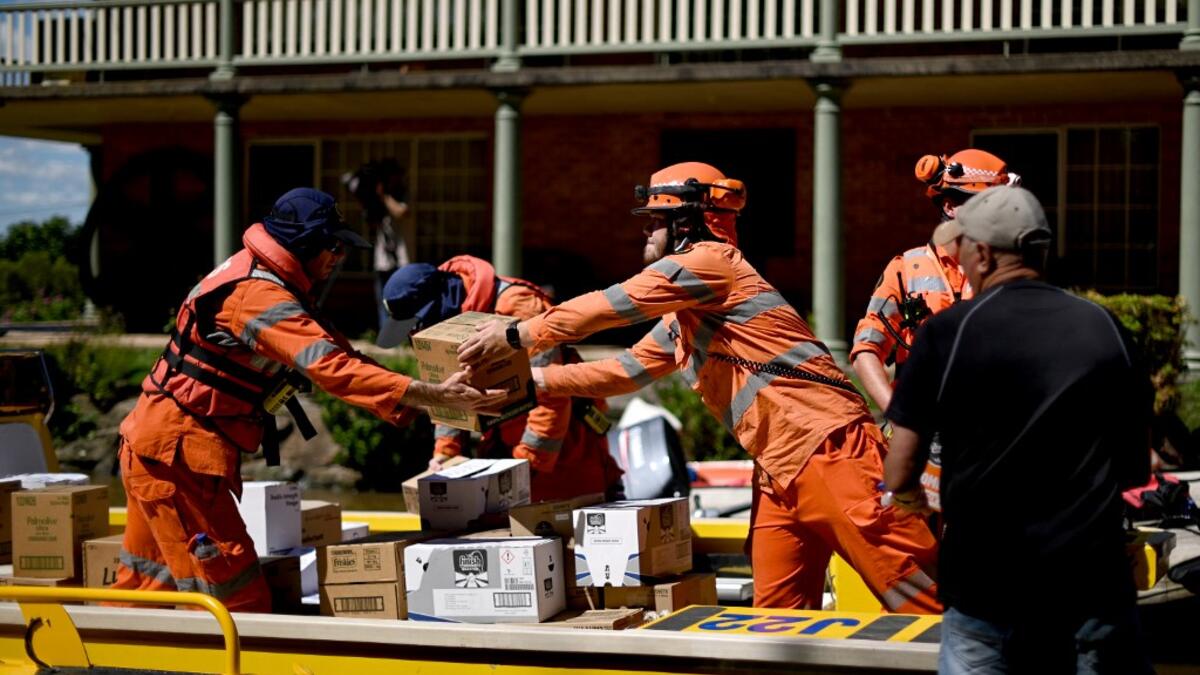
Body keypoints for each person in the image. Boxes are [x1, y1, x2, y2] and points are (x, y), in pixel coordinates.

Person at [459, 162, 940, 612]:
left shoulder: (709, 263)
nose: (645, 229)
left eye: (655, 219)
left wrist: (516, 334)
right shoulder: (686, 309)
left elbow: (614, 305)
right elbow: (626, 370)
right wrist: (533, 382)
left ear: (689, 223)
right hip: (780, 467)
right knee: (777, 621)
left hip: (831, 451)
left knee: (918, 595)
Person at [113, 188, 506, 612]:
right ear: (303, 245)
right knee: (236, 600)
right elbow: (333, 368)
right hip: (177, 459)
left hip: (159, 449)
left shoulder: (272, 283)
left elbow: (344, 355)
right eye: (333, 246)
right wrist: (436, 395)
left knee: (143, 587)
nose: (339, 257)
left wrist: (426, 398)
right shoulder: (258, 297)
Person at [882, 185, 1153, 674]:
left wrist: (910, 500)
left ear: (983, 254)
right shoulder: (1106, 327)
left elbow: (900, 470)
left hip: (988, 595)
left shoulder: (949, 333)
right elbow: (1135, 469)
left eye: (960, 248)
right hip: (1093, 590)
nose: (956, 260)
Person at [376, 254, 623, 501]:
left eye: (415, 327)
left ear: (436, 304)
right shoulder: (444, 320)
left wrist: (527, 464)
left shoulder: (518, 305)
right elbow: (449, 391)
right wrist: (445, 453)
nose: (414, 336)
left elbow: (552, 393)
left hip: (564, 448)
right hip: (503, 444)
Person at [852, 149, 1018, 412]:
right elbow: (866, 350)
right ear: (950, 207)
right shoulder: (905, 269)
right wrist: (898, 414)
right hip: (922, 428)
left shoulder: (1007, 271)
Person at [343, 160, 413, 328]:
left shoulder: (403, 195)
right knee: (382, 298)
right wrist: (369, 201)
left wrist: (383, 195)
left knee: (403, 298)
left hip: (403, 259)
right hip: (383, 259)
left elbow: (401, 212)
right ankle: (386, 334)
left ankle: (403, 334)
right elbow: (372, 224)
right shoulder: (380, 202)